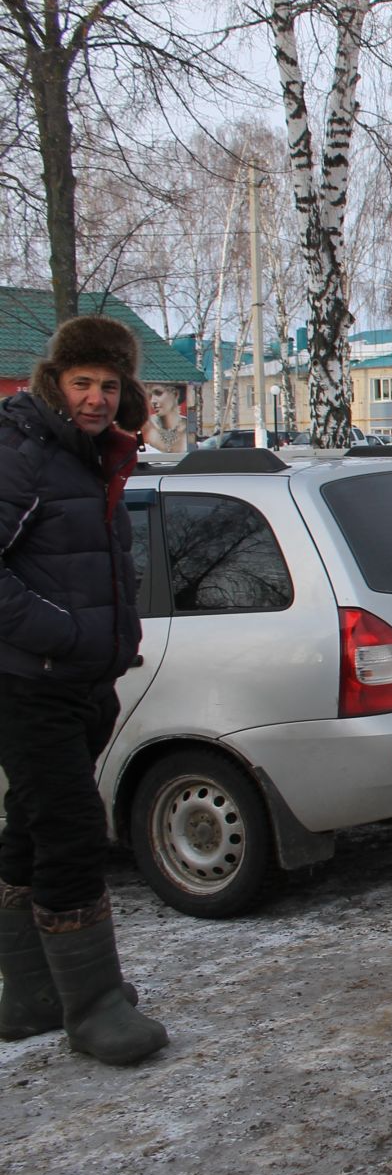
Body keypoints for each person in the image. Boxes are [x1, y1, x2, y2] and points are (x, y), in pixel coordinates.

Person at [0, 315, 169, 1066]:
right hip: (27, 681)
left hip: (84, 681)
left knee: (31, 828)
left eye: (109, 385)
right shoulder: (22, 453)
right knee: (70, 830)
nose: (98, 398)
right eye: (83, 383)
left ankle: (33, 993)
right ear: (54, 383)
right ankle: (94, 1007)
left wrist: (103, 644)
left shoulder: (94, 456)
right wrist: (63, 632)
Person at [142, 384, 190, 453]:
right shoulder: (144, 427)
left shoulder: (192, 427)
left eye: (158, 393)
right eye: (149, 396)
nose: (152, 401)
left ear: (175, 394)